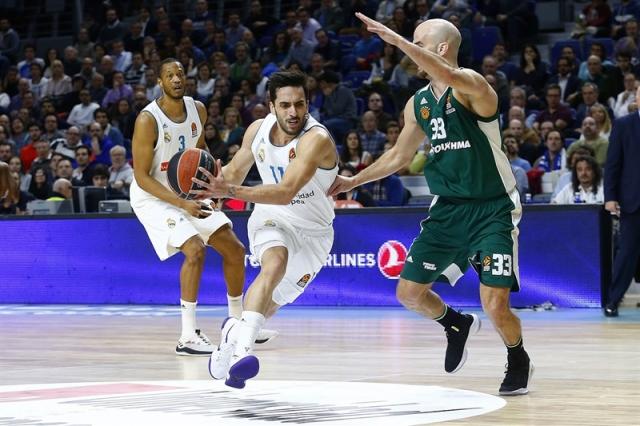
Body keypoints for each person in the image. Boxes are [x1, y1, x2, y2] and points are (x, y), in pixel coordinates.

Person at [330, 14, 533, 396]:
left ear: (441, 49)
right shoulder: (418, 104)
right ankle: (454, 323)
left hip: (493, 209)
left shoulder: (472, 85)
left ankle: (518, 356)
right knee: (408, 293)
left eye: (417, 43)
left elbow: (449, 76)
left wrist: (392, 38)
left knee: (494, 303)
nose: (411, 50)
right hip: (448, 210)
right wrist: (352, 180)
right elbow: (398, 156)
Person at [191, 71, 338, 389]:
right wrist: (208, 188)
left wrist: (228, 191)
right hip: (272, 216)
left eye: (299, 104)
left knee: (272, 302)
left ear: (308, 104)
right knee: (275, 264)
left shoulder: (317, 139)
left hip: (315, 232)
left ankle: (232, 335)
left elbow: (286, 190)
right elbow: (234, 172)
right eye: (285, 105)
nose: (293, 112)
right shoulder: (257, 131)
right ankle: (243, 355)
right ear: (271, 106)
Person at [129, 58, 276, 357]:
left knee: (234, 250)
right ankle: (187, 336)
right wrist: (183, 203)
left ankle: (239, 324)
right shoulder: (148, 119)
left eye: (180, 73)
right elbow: (142, 177)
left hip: (186, 193)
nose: (176, 79)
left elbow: (196, 151)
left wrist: (211, 182)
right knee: (195, 249)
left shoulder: (198, 109)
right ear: (160, 82)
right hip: (153, 197)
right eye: (169, 75)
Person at [603, 85, 640, 317]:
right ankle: (613, 300)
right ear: (637, 97)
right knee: (626, 253)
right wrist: (610, 197)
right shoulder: (625, 124)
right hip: (633, 201)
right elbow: (613, 165)